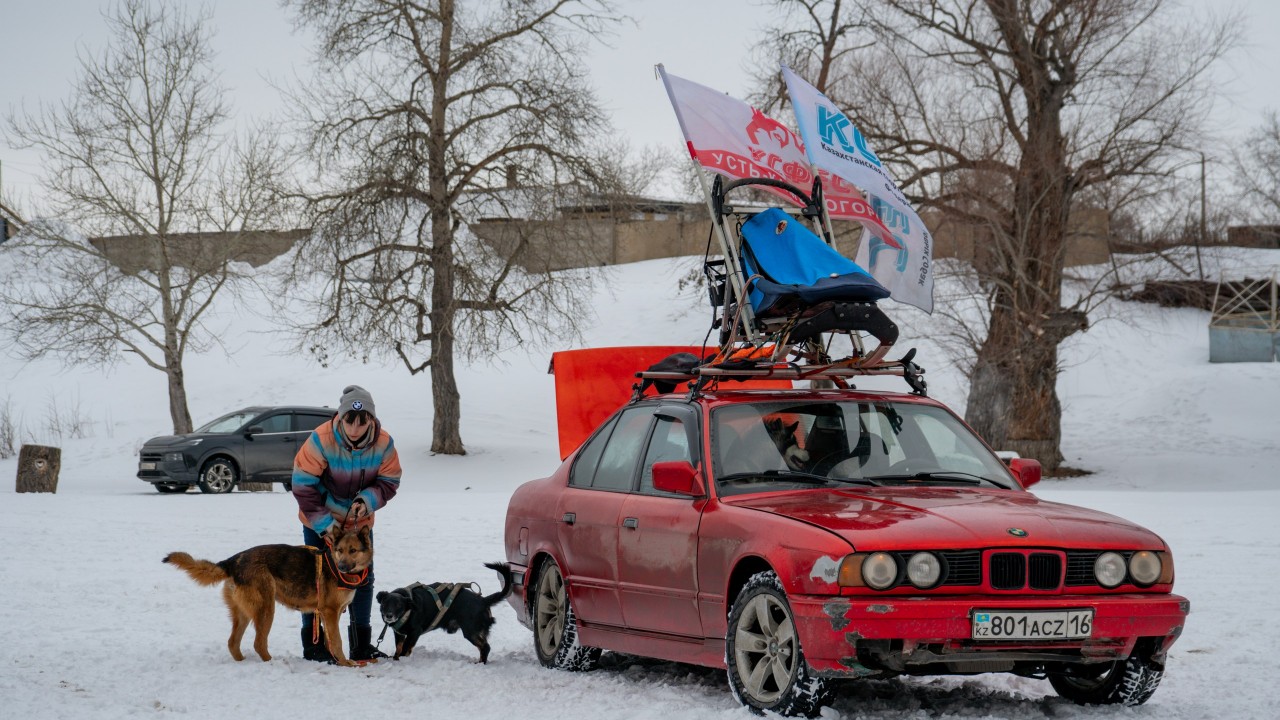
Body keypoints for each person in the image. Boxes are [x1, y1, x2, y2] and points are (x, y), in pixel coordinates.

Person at [291, 384, 401, 662]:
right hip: (319, 519)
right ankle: (314, 646)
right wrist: (326, 526)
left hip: (358, 522)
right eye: (349, 419)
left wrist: (367, 500)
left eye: (362, 420)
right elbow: (303, 485)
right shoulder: (320, 440)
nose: (354, 427)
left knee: (362, 579)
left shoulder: (384, 443)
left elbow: (389, 481)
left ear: (371, 420)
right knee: (317, 581)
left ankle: (360, 645)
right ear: (340, 417)